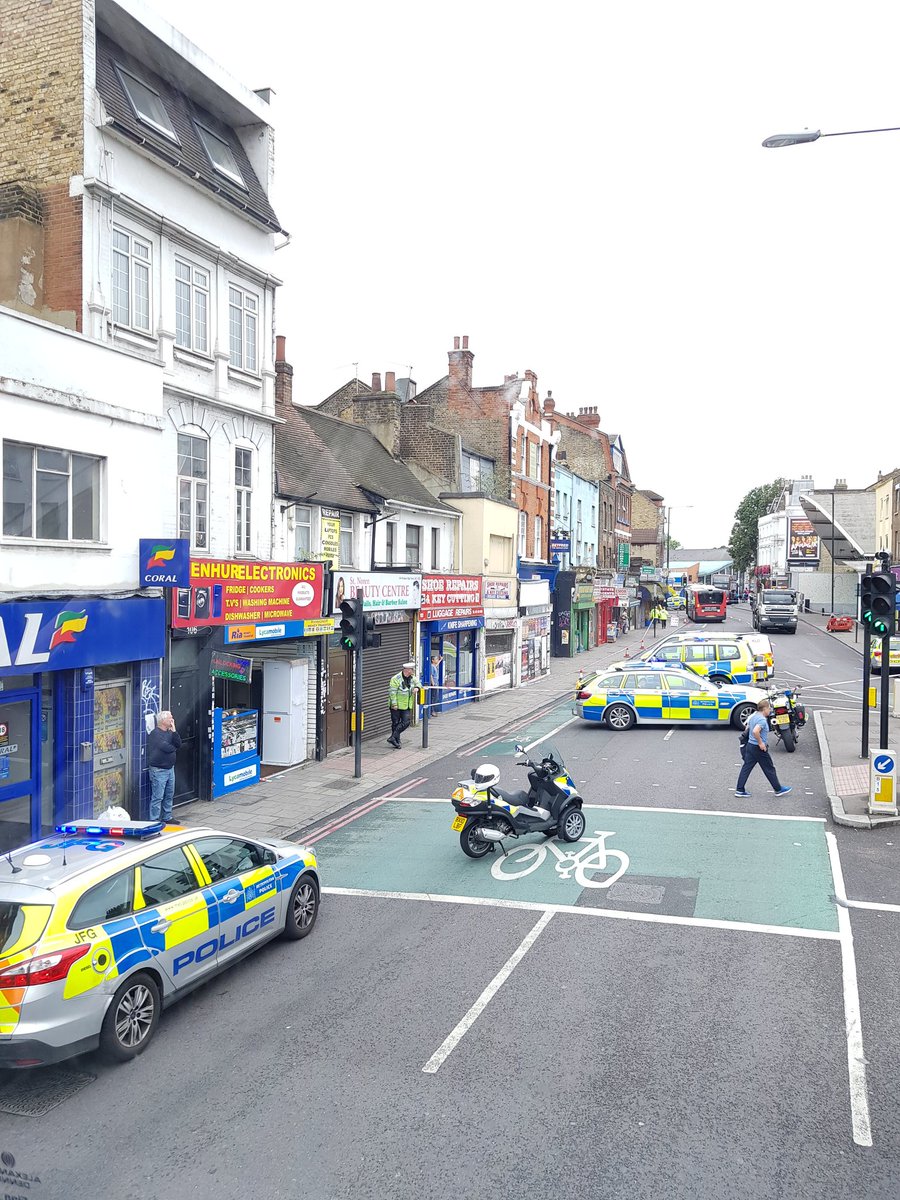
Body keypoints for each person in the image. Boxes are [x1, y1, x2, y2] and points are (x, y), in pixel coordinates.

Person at [734, 699, 792, 798]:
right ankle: (778, 789)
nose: (770, 710)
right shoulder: (761, 720)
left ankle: (739, 790)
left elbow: (747, 728)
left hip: (750, 746)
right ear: (764, 709)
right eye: (769, 708)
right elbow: (755, 731)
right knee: (769, 768)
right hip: (758, 748)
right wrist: (761, 743)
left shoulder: (753, 717)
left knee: (746, 768)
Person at [147, 711, 182, 822]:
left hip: (170, 768)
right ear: (163, 721)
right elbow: (167, 748)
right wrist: (174, 747)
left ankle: (167, 816)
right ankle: (154, 819)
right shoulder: (155, 734)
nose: (172, 720)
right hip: (159, 770)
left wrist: (174, 730)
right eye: (170, 719)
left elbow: (178, 744)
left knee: (169, 794)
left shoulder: (170, 732)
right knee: (158, 797)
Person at [387, 661, 419, 748]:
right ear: (408, 670)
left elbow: (418, 683)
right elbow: (392, 692)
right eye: (412, 670)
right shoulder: (395, 679)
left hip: (406, 705)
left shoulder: (412, 678)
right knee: (395, 723)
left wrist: (417, 688)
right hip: (396, 705)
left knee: (406, 722)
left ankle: (393, 737)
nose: (413, 671)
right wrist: (394, 704)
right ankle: (396, 741)